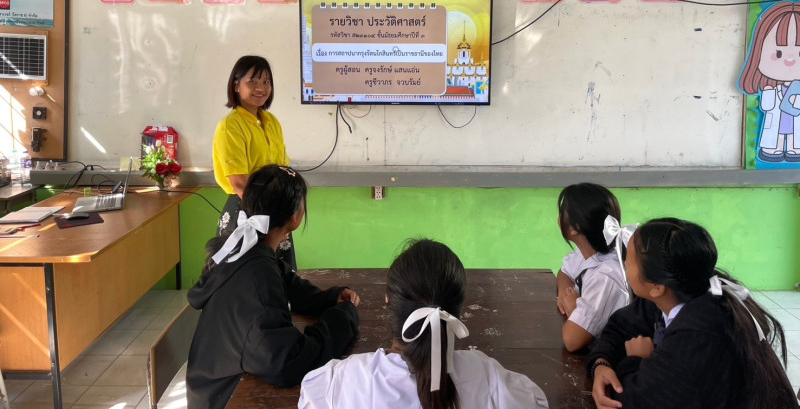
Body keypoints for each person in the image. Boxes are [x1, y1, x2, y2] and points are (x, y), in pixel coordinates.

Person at [298, 239, 549, 409]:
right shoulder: (486, 375)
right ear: (456, 312)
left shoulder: (343, 380)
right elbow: (536, 401)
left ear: (388, 301)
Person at [186, 165, 360, 409]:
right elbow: (288, 364)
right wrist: (343, 317)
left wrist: (329, 298)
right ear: (295, 217)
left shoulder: (246, 251)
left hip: (209, 389)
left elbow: (285, 282)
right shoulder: (257, 278)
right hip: (226, 398)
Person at [586, 218, 796, 409]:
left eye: (629, 261)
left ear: (657, 286)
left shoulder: (700, 333)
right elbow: (618, 327)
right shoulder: (677, 290)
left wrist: (636, 360)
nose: (624, 263)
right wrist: (601, 364)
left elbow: (632, 400)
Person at [213, 56, 298, 267]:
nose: (260, 88)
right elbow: (240, 183)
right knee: (246, 277)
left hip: (274, 212)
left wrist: (284, 214)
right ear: (236, 85)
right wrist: (271, 217)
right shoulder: (231, 126)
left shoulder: (271, 122)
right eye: (252, 81)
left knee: (279, 276)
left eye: (266, 82)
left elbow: (282, 171)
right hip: (247, 212)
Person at [556, 183, 629, 352]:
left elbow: (572, 341)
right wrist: (565, 292)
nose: (559, 217)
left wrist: (573, 308)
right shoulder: (590, 251)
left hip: (610, 359)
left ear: (575, 228)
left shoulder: (606, 276)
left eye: (563, 211)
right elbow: (564, 272)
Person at [738, 2, 800, 161]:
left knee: (795, 139)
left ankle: (794, 149)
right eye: (778, 53)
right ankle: (774, 150)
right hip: (777, 123)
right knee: (775, 140)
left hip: (795, 123)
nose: (790, 59)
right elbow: (766, 107)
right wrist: (767, 93)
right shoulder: (771, 89)